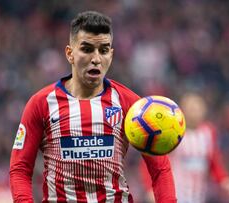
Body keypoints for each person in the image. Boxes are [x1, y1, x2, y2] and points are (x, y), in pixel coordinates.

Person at [9, 11, 176, 203]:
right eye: (87, 49)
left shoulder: (129, 103)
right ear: (70, 54)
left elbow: (160, 168)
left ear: (111, 55)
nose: (96, 58)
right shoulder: (41, 103)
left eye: (103, 50)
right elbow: (20, 169)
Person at [140, 92, 229, 203]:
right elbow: (152, 162)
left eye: (198, 108)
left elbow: (213, 160)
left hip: (199, 197)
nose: (195, 112)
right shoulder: (170, 132)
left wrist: (224, 179)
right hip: (173, 196)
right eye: (191, 108)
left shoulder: (209, 132)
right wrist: (150, 188)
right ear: (182, 110)